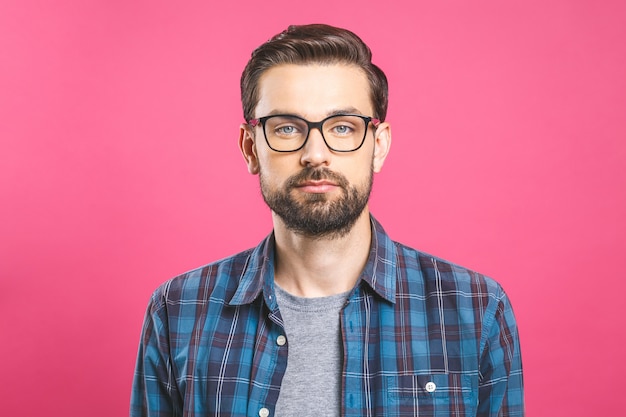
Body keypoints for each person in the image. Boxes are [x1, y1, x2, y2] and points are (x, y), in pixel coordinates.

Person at [130, 24, 524, 417]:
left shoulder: (476, 310)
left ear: (378, 146)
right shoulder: (178, 311)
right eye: (286, 128)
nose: (316, 154)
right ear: (251, 148)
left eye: (342, 127)